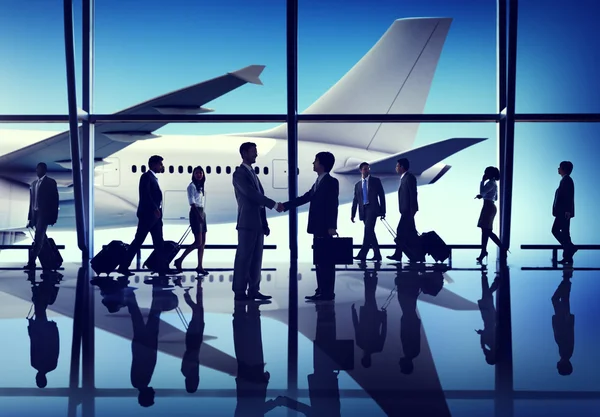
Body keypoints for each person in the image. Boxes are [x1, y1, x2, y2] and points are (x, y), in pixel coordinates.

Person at [278, 151, 339, 301]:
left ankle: (328, 292)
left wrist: (332, 226)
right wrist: (285, 206)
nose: (313, 163)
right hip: (317, 227)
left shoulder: (331, 182)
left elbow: (333, 205)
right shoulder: (319, 181)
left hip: (325, 227)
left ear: (322, 165)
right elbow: (306, 198)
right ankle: (321, 290)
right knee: (319, 260)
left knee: (327, 261)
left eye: (315, 161)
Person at [232, 142, 279, 301]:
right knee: (244, 258)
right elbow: (252, 195)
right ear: (244, 153)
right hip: (247, 222)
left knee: (256, 259)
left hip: (257, 223)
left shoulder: (252, 173)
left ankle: (253, 290)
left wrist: (265, 223)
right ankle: (239, 291)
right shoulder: (239, 174)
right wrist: (273, 204)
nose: (256, 154)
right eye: (253, 151)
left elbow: (258, 201)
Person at [118, 155, 170, 276]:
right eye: (160, 164)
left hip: (155, 217)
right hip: (148, 215)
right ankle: (123, 266)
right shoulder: (146, 177)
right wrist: (155, 208)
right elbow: (145, 195)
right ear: (153, 165)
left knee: (159, 243)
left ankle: (163, 268)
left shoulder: (153, 178)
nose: (162, 166)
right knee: (138, 241)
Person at [25, 162, 59, 270]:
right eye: (36, 169)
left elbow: (55, 200)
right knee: (41, 238)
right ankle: (52, 260)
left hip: (44, 215)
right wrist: (30, 218)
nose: (37, 171)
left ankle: (31, 263)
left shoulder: (51, 182)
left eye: (39, 169)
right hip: (35, 214)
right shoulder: (34, 184)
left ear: (44, 170)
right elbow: (32, 202)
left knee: (38, 238)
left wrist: (54, 217)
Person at [174, 166, 208, 275]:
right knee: (198, 241)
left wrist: (202, 215)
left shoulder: (200, 187)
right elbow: (192, 203)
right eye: (197, 173)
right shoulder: (191, 186)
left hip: (202, 212)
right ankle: (179, 260)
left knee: (202, 243)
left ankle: (199, 266)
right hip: (196, 213)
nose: (199, 175)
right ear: (193, 174)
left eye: (200, 173)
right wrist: (198, 216)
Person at [387, 158, 422, 263]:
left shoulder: (409, 178)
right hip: (405, 210)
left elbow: (413, 194)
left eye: (397, 166)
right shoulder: (404, 178)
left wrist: (413, 210)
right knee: (412, 234)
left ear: (402, 167)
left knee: (400, 230)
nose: (396, 168)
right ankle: (418, 255)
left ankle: (398, 255)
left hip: (408, 211)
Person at [351, 162, 386, 261]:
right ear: (361, 170)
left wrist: (383, 211)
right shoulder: (357, 185)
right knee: (370, 232)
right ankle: (377, 255)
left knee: (368, 230)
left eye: (368, 168)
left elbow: (382, 196)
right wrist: (352, 214)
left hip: (373, 209)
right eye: (365, 169)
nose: (367, 170)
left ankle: (362, 254)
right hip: (363, 210)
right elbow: (355, 200)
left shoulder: (375, 181)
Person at [475, 166, 503, 263]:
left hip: (488, 207)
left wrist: (482, 182)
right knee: (486, 231)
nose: (485, 174)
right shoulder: (493, 184)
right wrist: (484, 196)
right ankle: (484, 251)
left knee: (486, 231)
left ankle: (501, 248)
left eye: (486, 172)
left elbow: (482, 191)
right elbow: (494, 197)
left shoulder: (490, 183)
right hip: (489, 206)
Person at [552, 161, 577, 264]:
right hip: (562, 212)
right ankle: (568, 256)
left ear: (563, 169)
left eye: (559, 167)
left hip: (563, 212)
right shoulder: (565, 180)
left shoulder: (567, 180)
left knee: (555, 230)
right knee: (566, 234)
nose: (558, 169)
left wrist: (567, 210)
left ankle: (570, 248)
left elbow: (568, 196)